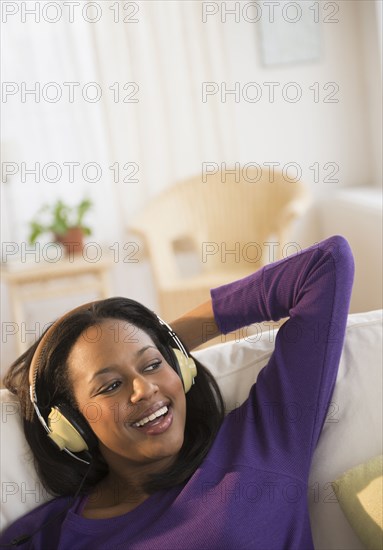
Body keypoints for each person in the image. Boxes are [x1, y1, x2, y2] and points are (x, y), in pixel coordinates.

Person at [0, 235, 354, 549]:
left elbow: (325, 265)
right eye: (111, 385)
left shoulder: (265, 437)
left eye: (152, 366)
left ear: (181, 370)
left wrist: (169, 342)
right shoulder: (47, 535)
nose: (144, 388)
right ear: (70, 425)